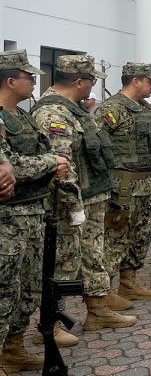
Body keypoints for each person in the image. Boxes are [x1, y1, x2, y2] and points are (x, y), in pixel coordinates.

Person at [31, 54, 137, 339]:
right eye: (91, 80)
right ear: (79, 82)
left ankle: (98, 310)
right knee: (62, 262)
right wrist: (74, 206)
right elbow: (61, 166)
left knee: (92, 255)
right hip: (69, 204)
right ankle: (49, 324)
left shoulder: (74, 109)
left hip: (92, 197)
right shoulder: (53, 114)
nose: (93, 86)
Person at [0, 50, 71, 368]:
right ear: (11, 81)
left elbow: (24, 163)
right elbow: (11, 165)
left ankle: (13, 348)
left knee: (28, 287)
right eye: (29, 77)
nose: (34, 81)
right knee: (4, 287)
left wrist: (49, 165)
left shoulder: (24, 116)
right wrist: (50, 163)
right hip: (8, 217)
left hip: (32, 211)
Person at [95, 62, 151, 306]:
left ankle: (129, 282)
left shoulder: (145, 109)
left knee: (140, 234)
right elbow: (94, 145)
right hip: (122, 182)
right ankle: (106, 292)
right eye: (149, 81)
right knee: (116, 235)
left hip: (145, 181)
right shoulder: (111, 109)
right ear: (135, 81)